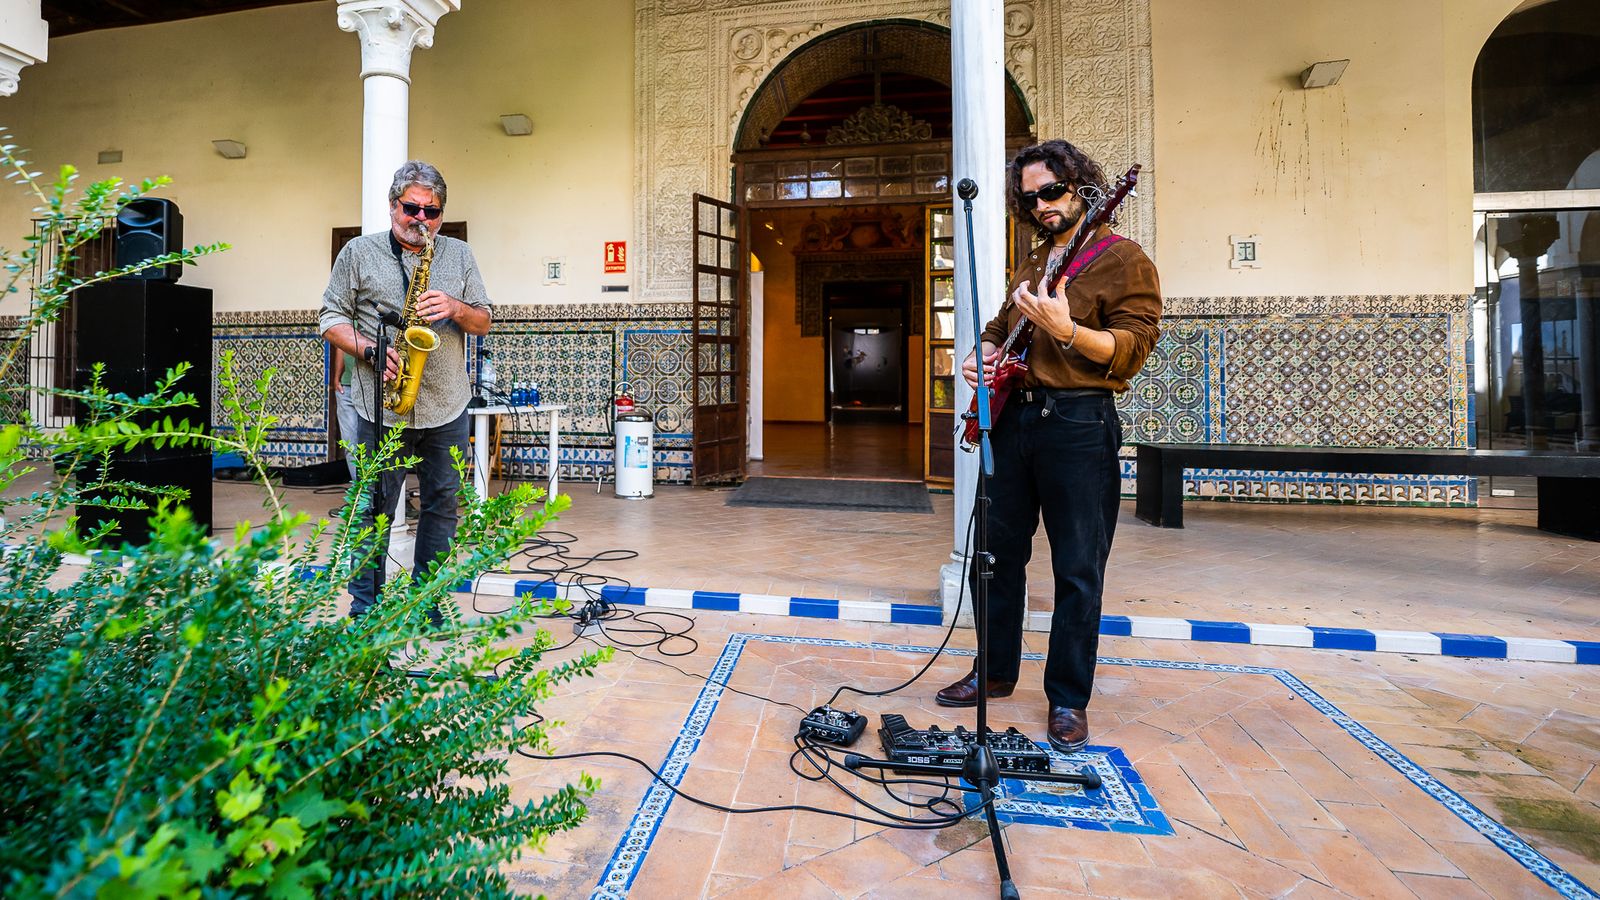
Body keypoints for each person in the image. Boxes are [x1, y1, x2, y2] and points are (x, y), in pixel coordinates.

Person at [935, 140, 1161, 752]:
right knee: (996, 555)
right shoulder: (1034, 261)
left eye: (1052, 192)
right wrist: (981, 350)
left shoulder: (1123, 260)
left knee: (1077, 568)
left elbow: (1133, 348)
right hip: (1016, 425)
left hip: (1079, 426)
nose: (1042, 205)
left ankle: (1067, 697)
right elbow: (1002, 328)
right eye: (1031, 197)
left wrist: (1071, 332)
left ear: (1083, 186)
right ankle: (996, 671)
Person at [319, 160, 493, 627]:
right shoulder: (358, 252)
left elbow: (484, 320)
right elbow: (330, 318)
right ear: (393, 206)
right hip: (382, 409)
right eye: (411, 208)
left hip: (445, 405)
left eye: (431, 211)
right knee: (373, 509)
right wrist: (372, 350)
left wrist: (456, 307)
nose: (421, 219)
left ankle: (427, 603)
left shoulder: (457, 254)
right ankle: (364, 609)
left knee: (441, 507)